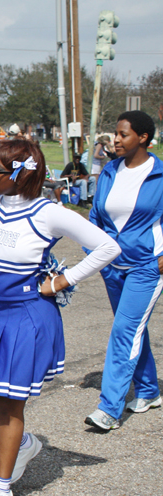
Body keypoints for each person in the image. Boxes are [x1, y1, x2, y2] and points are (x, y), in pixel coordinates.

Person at [0, 139, 119, 496]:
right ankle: (25, 445)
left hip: (24, 318)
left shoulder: (49, 213)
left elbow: (106, 247)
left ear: (22, 172)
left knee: (9, 404)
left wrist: (61, 281)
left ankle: (2, 491)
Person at [85, 111, 163, 431]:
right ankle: (148, 391)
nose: (115, 140)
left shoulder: (160, 173)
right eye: (115, 134)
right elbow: (96, 216)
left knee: (124, 332)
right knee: (131, 329)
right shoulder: (109, 171)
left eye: (122, 134)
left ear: (143, 138)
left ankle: (109, 409)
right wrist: (93, 252)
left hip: (148, 266)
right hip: (112, 267)